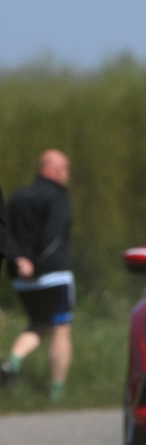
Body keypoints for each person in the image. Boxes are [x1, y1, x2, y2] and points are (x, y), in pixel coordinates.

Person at [2, 149, 75, 401]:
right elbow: (54, 236)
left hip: (19, 277)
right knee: (60, 328)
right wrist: (35, 262)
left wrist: (17, 259)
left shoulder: (18, 196)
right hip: (51, 273)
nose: (67, 175)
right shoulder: (57, 196)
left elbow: (5, 233)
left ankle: (12, 361)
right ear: (53, 170)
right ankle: (57, 394)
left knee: (38, 323)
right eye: (65, 169)